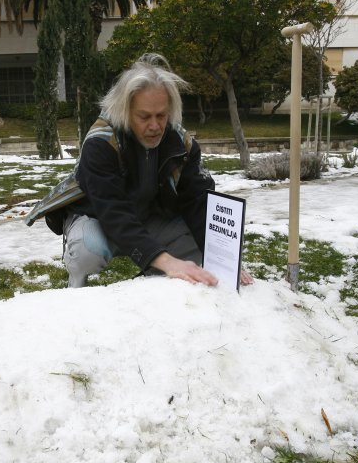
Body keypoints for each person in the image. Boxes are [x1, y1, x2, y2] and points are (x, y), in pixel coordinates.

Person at [33, 53, 253, 288]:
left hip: (148, 215)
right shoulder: (100, 143)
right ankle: (76, 285)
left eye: (161, 116)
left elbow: (198, 201)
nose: (155, 126)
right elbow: (113, 213)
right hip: (97, 217)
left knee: (198, 259)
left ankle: (149, 291)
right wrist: (166, 261)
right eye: (144, 116)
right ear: (125, 110)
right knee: (89, 251)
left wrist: (224, 258)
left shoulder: (182, 143)